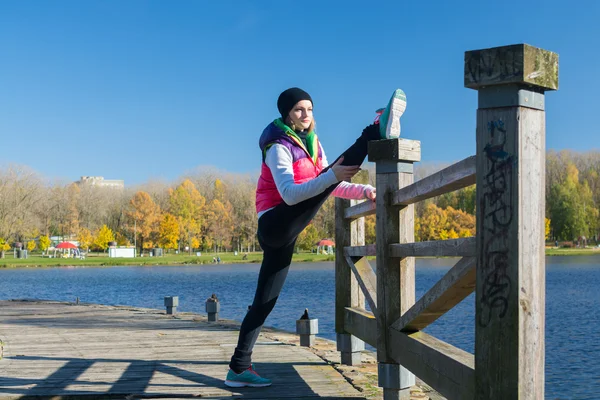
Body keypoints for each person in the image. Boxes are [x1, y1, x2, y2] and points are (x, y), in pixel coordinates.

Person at [224, 87, 407, 388]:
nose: (306, 115)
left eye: (309, 109)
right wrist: (332, 176)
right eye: (298, 109)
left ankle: (238, 368)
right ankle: (374, 129)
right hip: (275, 222)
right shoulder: (277, 146)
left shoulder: (313, 144)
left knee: (265, 301)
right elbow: (292, 194)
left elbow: (326, 183)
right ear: (286, 114)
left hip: (290, 229)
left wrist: (362, 191)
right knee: (330, 174)